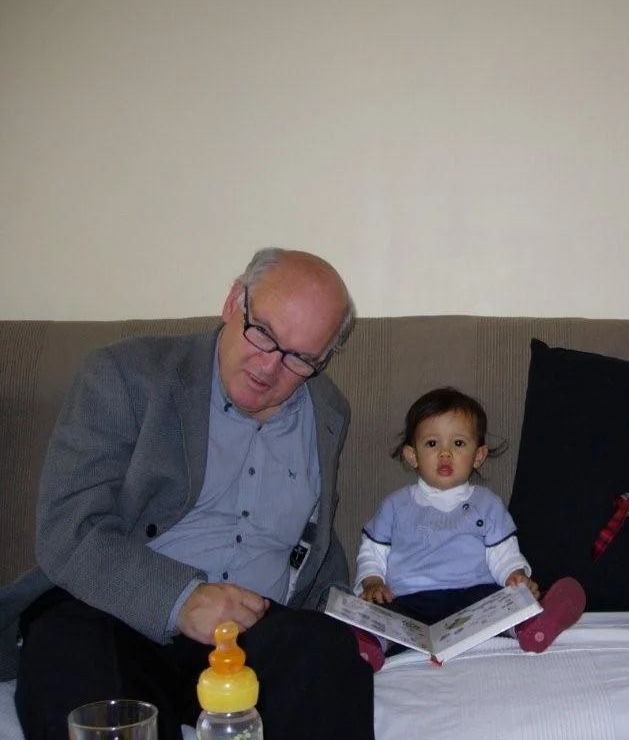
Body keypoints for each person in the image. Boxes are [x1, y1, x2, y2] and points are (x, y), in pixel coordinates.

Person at [1, 248, 374, 740]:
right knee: (74, 656)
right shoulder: (125, 374)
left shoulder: (328, 411)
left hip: (252, 630)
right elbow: (70, 528)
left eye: (300, 358)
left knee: (326, 652)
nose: (269, 367)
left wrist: (362, 618)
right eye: (263, 333)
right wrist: (181, 600)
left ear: (323, 359)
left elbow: (314, 542)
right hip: (117, 612)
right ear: (233, 301)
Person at [353, 387, 586, 671]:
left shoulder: (487, 504)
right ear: (412, 455)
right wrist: (372, 582)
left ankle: (531, 627)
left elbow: (502, 553)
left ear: (478, 455)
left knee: (504, 601)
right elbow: (373, 551)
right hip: (409, 600)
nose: (445, 453)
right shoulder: (395, 505)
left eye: (459, 443)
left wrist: (515, 575)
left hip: (472, 599)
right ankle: (369, 644)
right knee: (378, 615)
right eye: (432, 444)